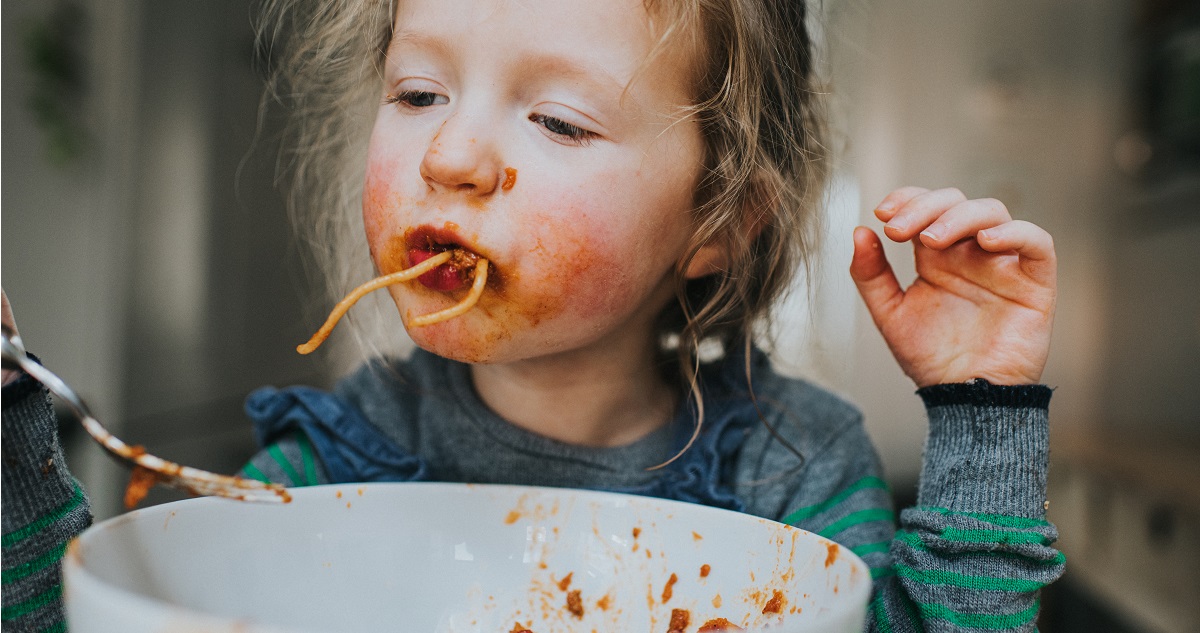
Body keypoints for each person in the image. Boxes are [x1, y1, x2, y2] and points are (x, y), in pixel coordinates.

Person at [2, 0, 1062, 631]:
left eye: (557, 119)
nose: (450, 157)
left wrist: (982, 411)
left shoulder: (789, 472)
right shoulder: (343, 455)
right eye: (418, 95)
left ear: (717, 223)